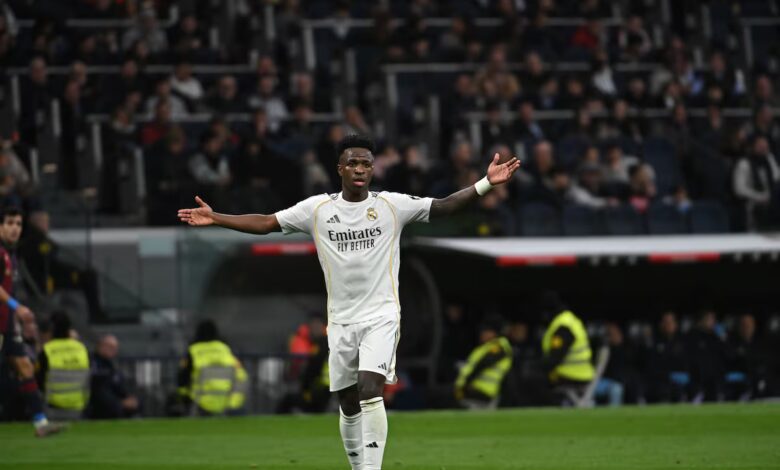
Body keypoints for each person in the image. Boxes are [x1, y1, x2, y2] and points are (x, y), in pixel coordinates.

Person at [178, 134, 520, 470]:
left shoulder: (391, 206)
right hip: (341, 321)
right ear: (339, 168)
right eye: (353, 163)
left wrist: (485, 184)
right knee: (348, 401)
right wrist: (217, 217)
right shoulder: (317, 209)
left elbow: (443, 206)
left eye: (366, 164)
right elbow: (267, 222)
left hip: (381, 316)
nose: (360, 169)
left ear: (372, 170)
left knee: (370, 388)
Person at [0, 207, 63, 435]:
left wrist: (16, 318)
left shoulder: (11, 255)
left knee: (25, 367)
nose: (15, 228)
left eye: (18, 224)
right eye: (9, 223)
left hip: (6, 325)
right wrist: (16, 307)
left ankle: (40, 423)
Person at [177, 320, 245, 416]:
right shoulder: (225, 349)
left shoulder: (193, 350)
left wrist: (183, 396)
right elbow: (241, 375)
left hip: (199, 402)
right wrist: (234, 402)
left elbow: (182, 378)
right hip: (225, 401)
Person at [540, 292, 595, 400]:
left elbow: (555, 358)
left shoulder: (563, 325)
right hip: (583, 373)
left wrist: (536, 367)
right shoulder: (571, 319)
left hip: (570, 375)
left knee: (532, 378)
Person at [37, 311, 90, 421]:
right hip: (78, 407)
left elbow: (38, 380)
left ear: (51, 329)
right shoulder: (81, 348)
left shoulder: (47, 350)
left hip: (52, 407)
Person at [454, 316, 513, 409]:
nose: (482, 334)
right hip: (474, 391)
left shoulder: (498, 346)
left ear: (495, 333)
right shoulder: (485, 347)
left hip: (482, 392)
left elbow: (482, 364)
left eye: (486, 331)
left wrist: (466, 384)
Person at [87, 334, 139, 419]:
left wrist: (129, 398)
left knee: (137, 402)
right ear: (101, 346)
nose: (114, 350)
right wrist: (120, 403)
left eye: (115, 347)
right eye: (111, 347)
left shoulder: (111, 365)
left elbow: (119, 385)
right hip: (98, 404)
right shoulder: (91, 362)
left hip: (113, 401)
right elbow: (99, 391)